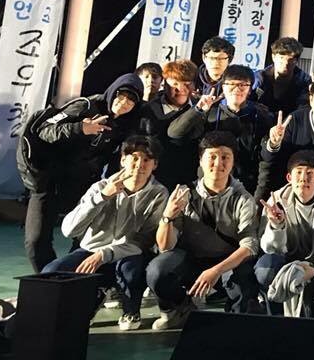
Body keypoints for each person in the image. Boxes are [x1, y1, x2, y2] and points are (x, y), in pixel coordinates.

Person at [17, 72, 144, 271]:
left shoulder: (126, 125)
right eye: (121, 96)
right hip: (48, 181)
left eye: (131, 100)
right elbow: (44, 130)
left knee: (86, 239)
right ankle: (48, 278)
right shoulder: (86, 106)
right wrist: (80, 128)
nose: (124, 103)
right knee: (35, 240)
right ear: (112, 92)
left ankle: (73, 278)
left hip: (82, 184)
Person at [42, 135, 168, 331]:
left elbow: (144, 240)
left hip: (128, 252)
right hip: (90, 249)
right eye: (134, 158)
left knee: (130, 268)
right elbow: (68, 230)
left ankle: (131, 309)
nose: (139, 165)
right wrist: (102, 197)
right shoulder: (100, 187)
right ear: (123, 160)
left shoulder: (159, 193)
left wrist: (105, 254)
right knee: (51, 272)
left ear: (155, 165)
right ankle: (90, 299)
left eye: (146, 160)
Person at [146, 131, 260, 329]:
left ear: (233, 162)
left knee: (246, 277)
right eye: (212, 156)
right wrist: (168, 217)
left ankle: (235, 319)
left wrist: (216, 271)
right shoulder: (184, 194)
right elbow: (165, 246)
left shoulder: (244, 199)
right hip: (192, 258)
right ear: (200, 160)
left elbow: (249, 246)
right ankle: (178, 309)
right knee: (157, 271)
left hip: (227, 262)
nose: (218, 163)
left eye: (225, 157)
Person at [255, 150, 314, 318]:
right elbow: (269, 249)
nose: (304, 178)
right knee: (265, 270)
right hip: (284, 263)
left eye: (310, 173)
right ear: (289, 178)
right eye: (299, 173)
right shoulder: (276, 201)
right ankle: (272, 312)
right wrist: (277, 225)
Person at [165, 64, 274, 198]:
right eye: (231, 84)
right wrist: (197, 109)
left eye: (242, 85)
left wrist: (258, 196)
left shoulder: (261, 116)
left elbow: (264, 161)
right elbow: (174, 133)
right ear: (223, 87)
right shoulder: (210, 111)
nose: (236, 89)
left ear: (250, 89)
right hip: (208, 185)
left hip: (245, 187)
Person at [138, 60, 200, 191]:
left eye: (187, 84)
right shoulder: (148, 110)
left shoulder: (200, 108)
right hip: (153, 182)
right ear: (165, 84)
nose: (181, 89)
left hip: (188, 182)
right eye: (175, 84)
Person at [255, 37, 311, 118]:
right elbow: (249, 100)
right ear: (273, 57)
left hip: (291, 122)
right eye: (281, 58)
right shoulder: (260, 77)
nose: (285, 63)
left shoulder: (304, 80)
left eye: (291, 59)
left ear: (297, 61)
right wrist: (256, 107)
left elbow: (303, 109)